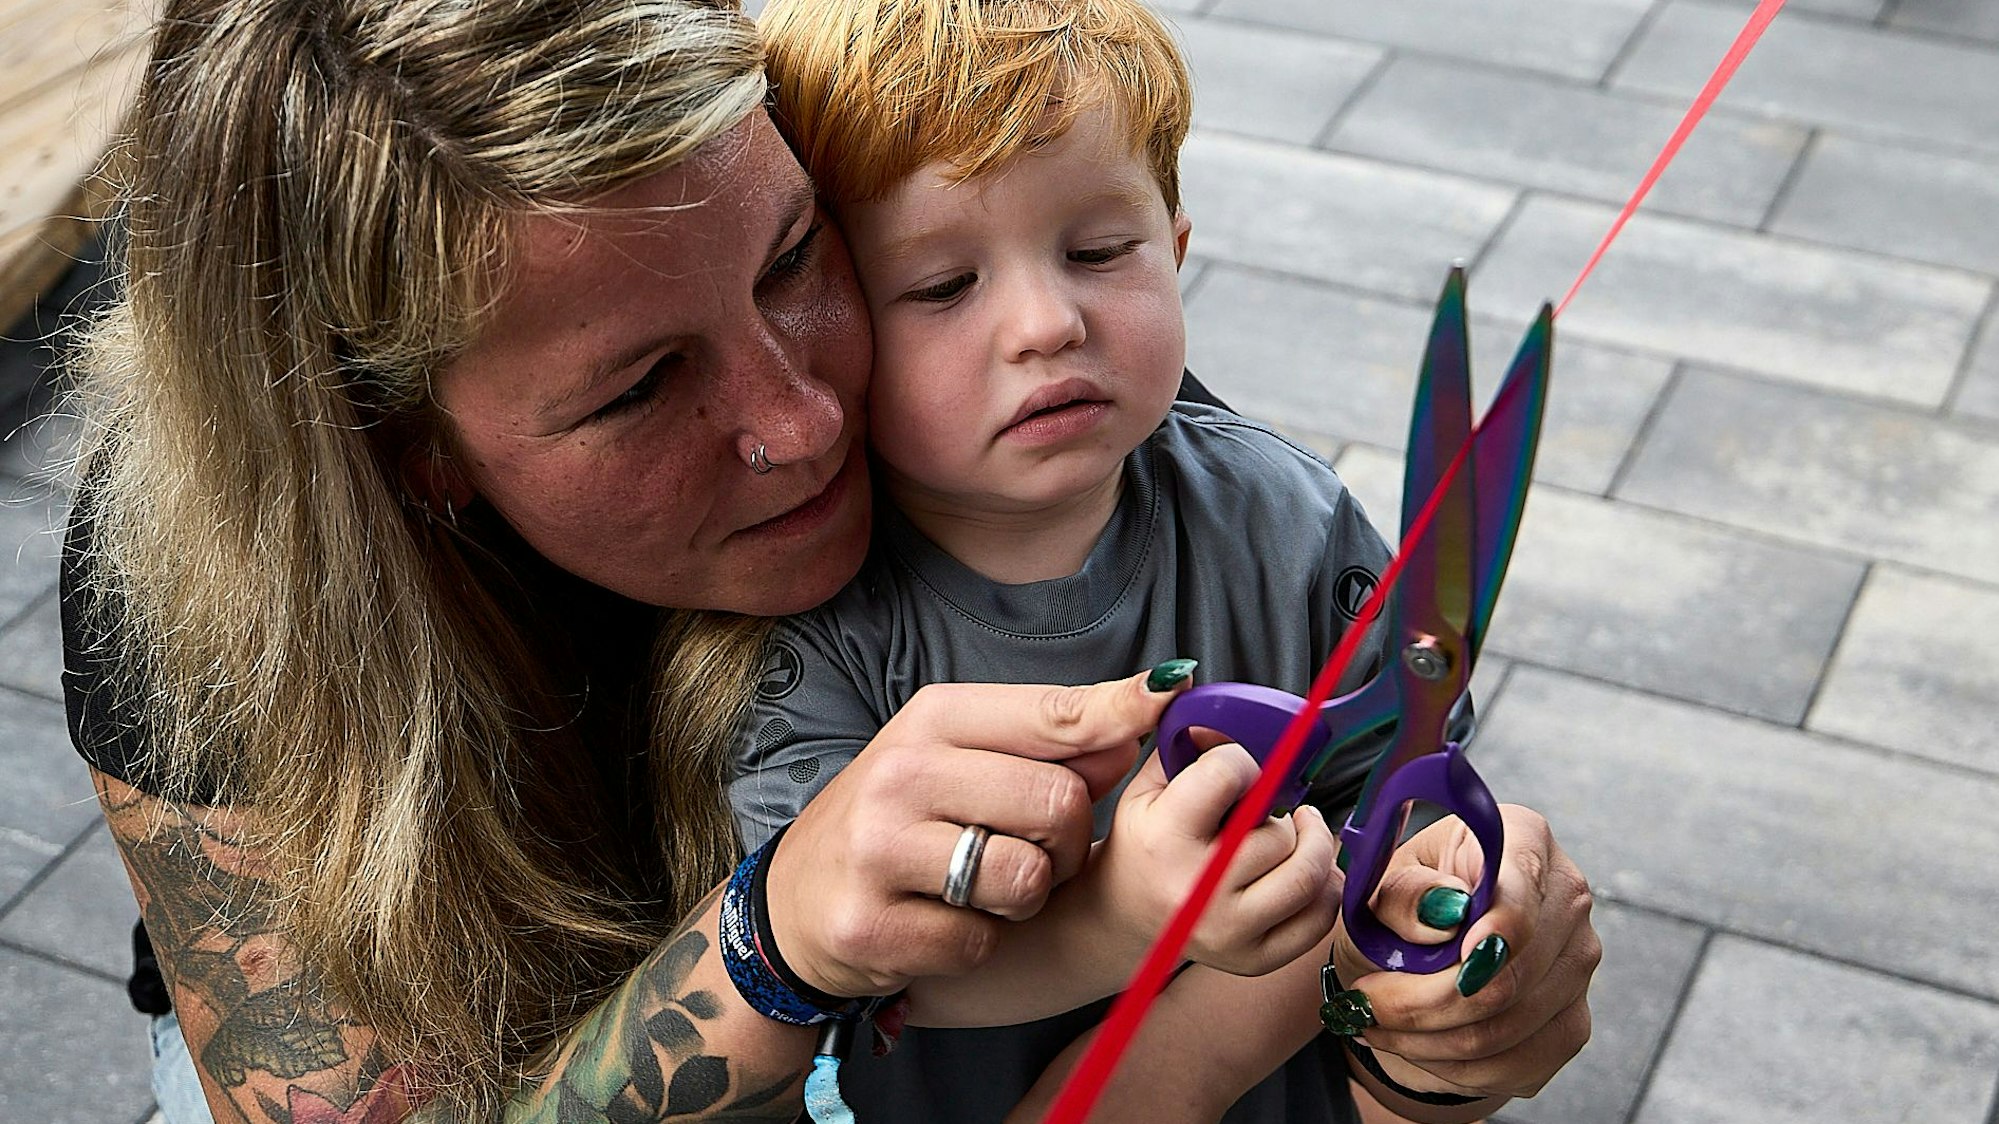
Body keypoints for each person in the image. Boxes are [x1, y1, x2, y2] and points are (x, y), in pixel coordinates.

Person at [62, 1, 1598, 1122]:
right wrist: (771, 948)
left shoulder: (1066, 409)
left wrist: (1427, 1030)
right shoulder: (201, 601)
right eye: (637, 387)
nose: (805, 422)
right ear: (413, 450)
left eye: (801, 262)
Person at [727, 0, 1595, 1121]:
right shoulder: (803, 616)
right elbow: (842, 967)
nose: (1046, 322)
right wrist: (1124, 918)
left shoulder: (1286, 517)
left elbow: (1406, 800)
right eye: (944, 286)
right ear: (828, 326)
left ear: (1176, 247)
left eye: (1098, 252)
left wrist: (1458, 902)